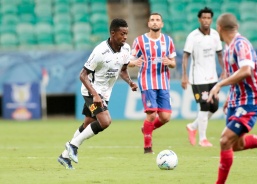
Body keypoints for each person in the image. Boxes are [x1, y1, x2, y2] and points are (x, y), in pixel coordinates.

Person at [207, 13, 257, 184]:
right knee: (236, 145)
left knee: (225, 140)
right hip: (237, 100)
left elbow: (246, 70)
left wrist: (219, 85)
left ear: (219, 28)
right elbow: (235, 75)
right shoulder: (228, 48)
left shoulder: (241, 44)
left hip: (251, 99)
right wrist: (229, 97)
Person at [57, 18, 138, 169]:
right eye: (122, 34)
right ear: (113, 34)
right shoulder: (100, 51)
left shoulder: (126, 49)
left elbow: (123, 70)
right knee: (105, 121)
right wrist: (94, 94)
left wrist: (130, 82)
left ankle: (64, 156)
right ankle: (73, 145)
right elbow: (83, 75)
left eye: (126, 33)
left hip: (105, 93)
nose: (125, 37)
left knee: (87, 124)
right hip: (91, 91)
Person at [129, 12, 176, 154]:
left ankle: (146, 128)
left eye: (157, 20)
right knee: (152, 114)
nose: (155, 22)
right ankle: (147, 147)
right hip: (146, 80)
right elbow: (129, 62)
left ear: (161, 24)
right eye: (152, 20)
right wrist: (134, 62)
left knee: (166, 117)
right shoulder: (139, 41)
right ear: (148, 24)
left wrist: (170, 62)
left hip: (163, 81)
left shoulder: (168, 41)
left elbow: (173, 63)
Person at [181, 7, 225, 147]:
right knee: (204, 106)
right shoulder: (193, 36)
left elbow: (219, 54)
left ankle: (193, 127)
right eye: (204, 18)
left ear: (211, 19)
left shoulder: (215, 35)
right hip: (198, 78)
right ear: (199, 19)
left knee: (215, 107)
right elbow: (186, 56)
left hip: (213, 78)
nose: (206, 20)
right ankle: (203, 139)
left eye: (208, 18)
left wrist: (224, 70)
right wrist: (184, 75)